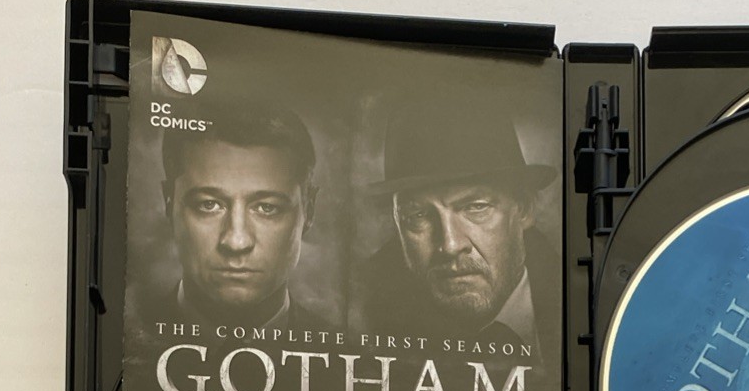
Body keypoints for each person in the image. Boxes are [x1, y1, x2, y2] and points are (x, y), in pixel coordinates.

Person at [362, 94, 559, 355]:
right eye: (418, 215)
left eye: (475, 207)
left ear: (524, 210)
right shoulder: (364, 319)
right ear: (397, 222)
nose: (450, 245)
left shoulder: (578, 300)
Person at [146, 100, 326, 331]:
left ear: (308, 211)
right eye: (208, 205)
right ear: (169, 202)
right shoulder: (133, 330)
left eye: (267, 208)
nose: (236, 242)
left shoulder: (349, 350)